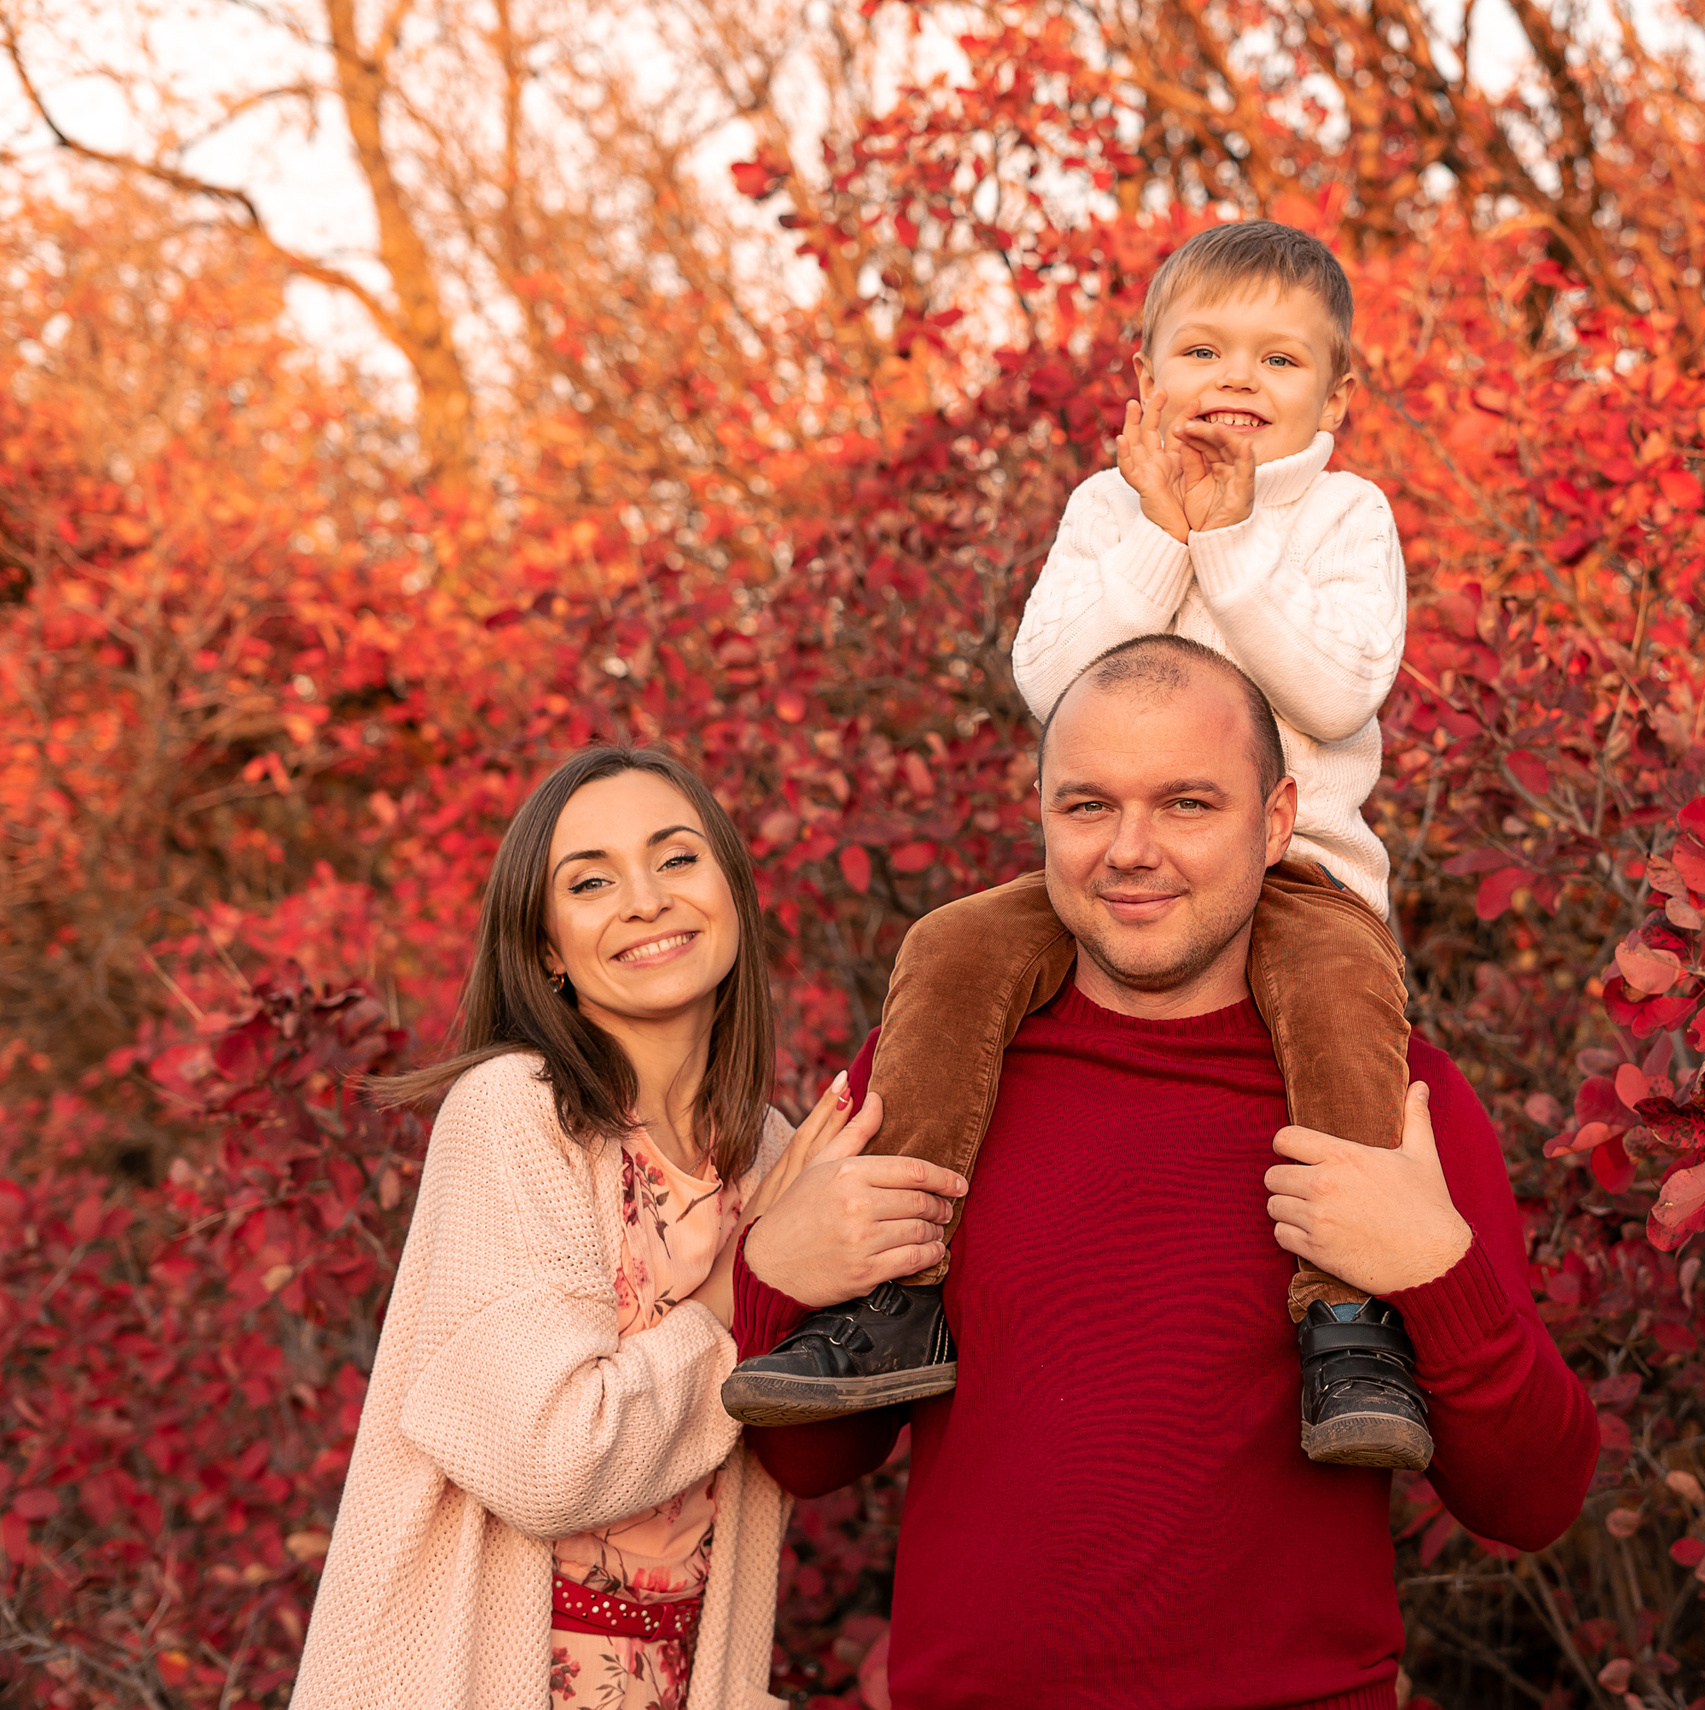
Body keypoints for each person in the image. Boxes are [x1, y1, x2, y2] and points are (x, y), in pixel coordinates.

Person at [721, 640, 1600, 1708]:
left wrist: (1435, 1272)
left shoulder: (1389, 1104)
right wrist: (774, 1266)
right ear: (1039, 811)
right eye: (1087, 807)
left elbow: (1535, 1502)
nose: (1129, 851)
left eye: (1187, 804)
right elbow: (816, 1464)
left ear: (1275, 821)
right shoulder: (932, 1080)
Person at [722, 219, 1429, 1468]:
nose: (1236, 383)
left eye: (1278, 362)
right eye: (1204, 351)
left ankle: (1349, 1320)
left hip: (1300, 869)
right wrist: (1162, 529)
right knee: (952, 948)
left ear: (1337, 394)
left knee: (1342, 989)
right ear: (1142, 375)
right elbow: (1054, 683)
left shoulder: (1343, 516)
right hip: (1108, 878)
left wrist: (1225, 545)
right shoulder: (1109, 507)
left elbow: (1333, 695)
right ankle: (897, 1293)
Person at [290, 746, 968, 1710]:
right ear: (548, 951)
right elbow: (549, 1461)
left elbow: (811, 1449)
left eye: (677, 859)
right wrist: (760, 1269)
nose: (645, 899)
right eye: (592, 881)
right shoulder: (514, 1115)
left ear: (733, 892)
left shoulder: (771, 1155)